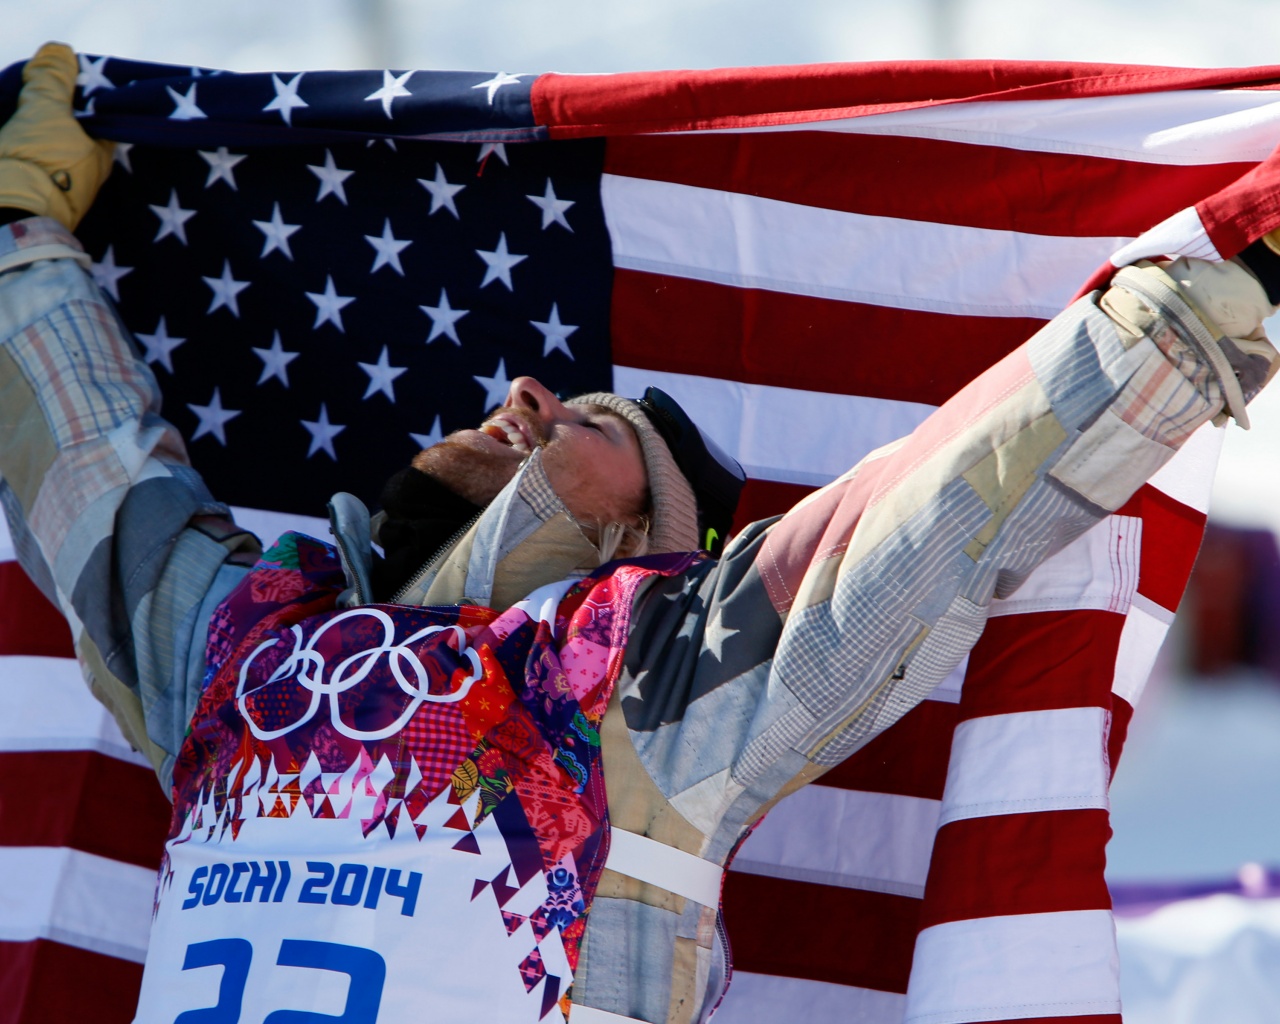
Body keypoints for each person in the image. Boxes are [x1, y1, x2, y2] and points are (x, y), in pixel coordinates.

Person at [2, 42, 1280, 1024]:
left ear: (655, 551)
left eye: (612, 418)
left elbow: (932, 514)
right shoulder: (243, 654)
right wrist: (21, 237)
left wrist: (1205, 300)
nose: (528, 396)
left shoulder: (635, 698)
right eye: (520, 413)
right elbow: (87, 473)